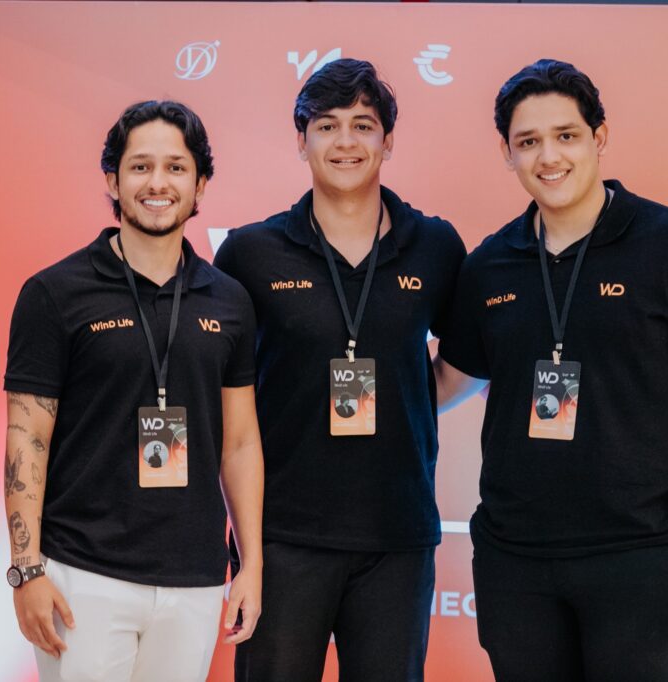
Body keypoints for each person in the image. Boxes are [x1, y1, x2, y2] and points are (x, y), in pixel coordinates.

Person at [434, 59, 668, 681]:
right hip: (516, 560)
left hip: (644, 556)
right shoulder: (489, 265)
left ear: (599, 136)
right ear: (507, 153)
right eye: (529, 141)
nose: (549, 157)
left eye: (566, 135)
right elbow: (452, 380)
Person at [213, 58, 466, 682]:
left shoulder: (436, 246)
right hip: (282, 536)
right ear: (301, 142)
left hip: (397, 537)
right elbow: (224, 393)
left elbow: (466, 363)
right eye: (326, 126)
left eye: (363, 125)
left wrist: (410, 400)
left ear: (388, 140)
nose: (345, 141)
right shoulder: (250, 252)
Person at [3, 100, 264, 682]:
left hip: (195, 578)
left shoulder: (230, 301)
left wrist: (251, 564)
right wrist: (26, 569)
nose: (158, 183)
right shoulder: (55, 293)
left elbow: (241, 441)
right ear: (112, 181)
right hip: (83, 572)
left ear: (201, 185)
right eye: (140, 166)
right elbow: (27, 437)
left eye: (176, 167)